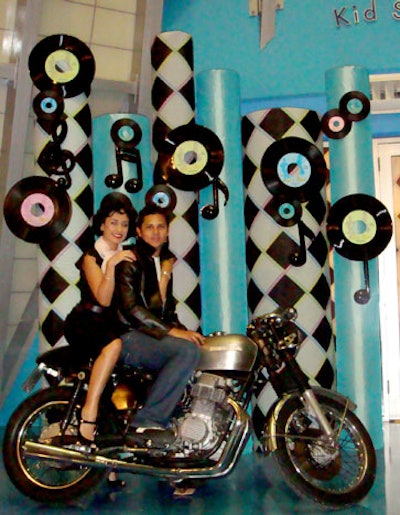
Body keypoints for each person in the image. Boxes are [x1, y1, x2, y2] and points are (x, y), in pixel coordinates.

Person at [114, 205, 205, 446]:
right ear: (139, 232)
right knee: (186, 350)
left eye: (161, 227)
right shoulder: (130, 260)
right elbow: (131, 309)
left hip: (149, 336)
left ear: (167, 232)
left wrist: (190, 333)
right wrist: (173, 332)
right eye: (149, 227)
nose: (155, 232)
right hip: (128, 337)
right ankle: (148, 420)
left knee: (202, 347)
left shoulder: (162, 263)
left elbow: (167, 311)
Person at [64, 192, 136, 457]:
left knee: (121, 380)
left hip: (110, 322)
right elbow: (103, 298)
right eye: (114, 222)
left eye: (124, 224)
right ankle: (88, 412)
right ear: (102, 224)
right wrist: (112, 265)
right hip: (86, 321)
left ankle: (110, 457)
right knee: (113, 345)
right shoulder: (92, 257)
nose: (119, 229)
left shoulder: (128, 256)